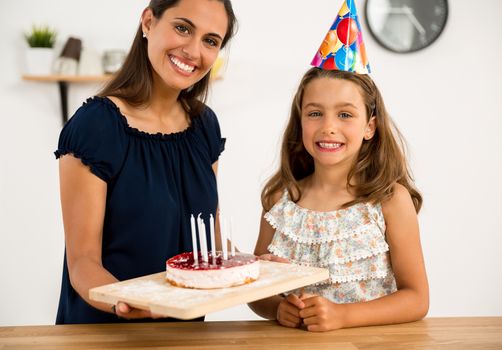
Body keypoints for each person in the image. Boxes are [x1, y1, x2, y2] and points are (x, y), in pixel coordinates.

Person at [54, 0, 236, 324]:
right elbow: (82, 262)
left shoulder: (205, 126)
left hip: (183, 337)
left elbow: (210, 239)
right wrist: (125, 302)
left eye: (210, 40)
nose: (194, 51)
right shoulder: (96, 125)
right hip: (105, 335)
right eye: (182, 28)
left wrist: (257, 267)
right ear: (148, 22)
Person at [249, 66, 429, 331]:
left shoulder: (389, 201)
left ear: (370, 127)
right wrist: (277, 307)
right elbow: (257, 289)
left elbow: (416, 299)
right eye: (315, 114)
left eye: (344, 114)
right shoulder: (280, 200)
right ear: (300, 123)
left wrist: (342, 316)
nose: (328, 127)